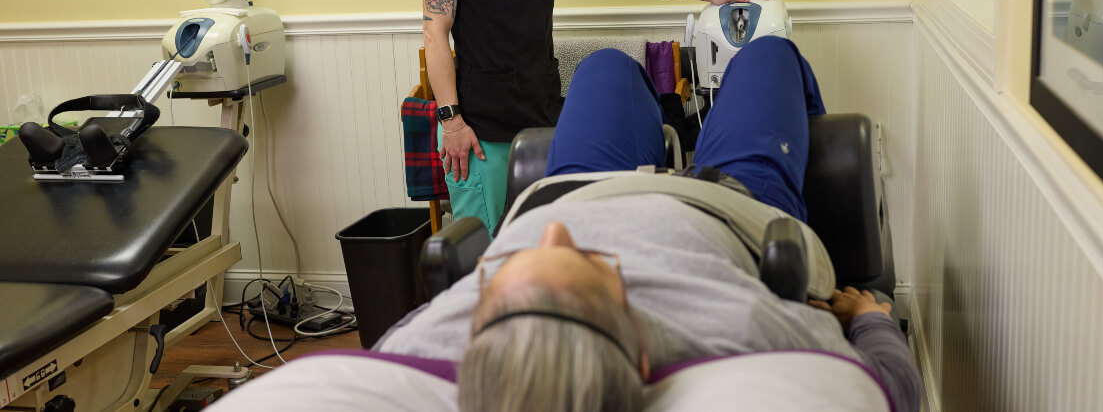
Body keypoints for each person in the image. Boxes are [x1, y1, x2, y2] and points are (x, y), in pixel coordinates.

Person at [377, 37, 922, 412]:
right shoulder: (744, 332)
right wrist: (869, 318)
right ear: (642, 348)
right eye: (587, 263)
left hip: (570, 192)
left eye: (506, 279)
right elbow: (888, 387)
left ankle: (668, 122)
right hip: (730, 209)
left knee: (607, 66)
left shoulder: (426, 344)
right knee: (767, 55)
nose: (554, 234)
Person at [422, 0, 771, 234]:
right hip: (479, 131)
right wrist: (451, 121)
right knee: (484, 267)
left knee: (543, 250)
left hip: (541, 120)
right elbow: (434, 30)